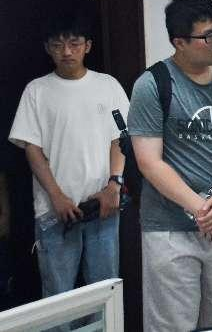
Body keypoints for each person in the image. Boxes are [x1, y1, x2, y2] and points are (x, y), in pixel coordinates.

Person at [127, 0, 212, 330]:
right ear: (179, 42)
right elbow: (149, 162)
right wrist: (202, 209)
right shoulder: (152, 84)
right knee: (173, 325)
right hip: (169, 228)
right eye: (208, 35)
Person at [8, 19, 128, 299]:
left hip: (103, 206)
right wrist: (57, 196)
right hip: (55, 211)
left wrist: (115, 184)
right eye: (57, 45)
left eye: (74, 43)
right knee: (58, 296)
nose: (66, 51)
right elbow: (32, 148)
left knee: (105, 292)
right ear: (47, 49)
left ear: (88, 46)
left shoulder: (107, 85)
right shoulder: (36, 90)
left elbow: (120, 139)